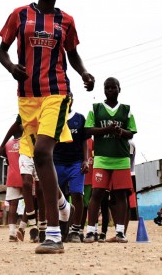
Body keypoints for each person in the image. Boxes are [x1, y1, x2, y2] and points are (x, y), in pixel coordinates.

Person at [0, 0, 95, 254]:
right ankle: (62, 205)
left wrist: (84, 73)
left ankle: (53, 235)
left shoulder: (66, 21)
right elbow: (1, 50)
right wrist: (11, 68)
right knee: (39, 160)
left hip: (57, 93)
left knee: (42, 152)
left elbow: (72, 53)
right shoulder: (19, 15)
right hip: (27, 97)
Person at [83, 77, 137, 243]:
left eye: (113, 88)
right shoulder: (95, 109)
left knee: (120, 195)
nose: (110, 90)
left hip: (121, 159)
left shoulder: (126, 110)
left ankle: (120, 232)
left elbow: (132, 132)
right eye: (107, 88)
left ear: (119, 89)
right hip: (101, 158)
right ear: (104, 90)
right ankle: (91, 231)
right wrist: (107, 129)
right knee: (97, 193)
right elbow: (88, 130)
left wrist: (119, 131)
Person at [53, 93, 90, 243]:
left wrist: (86, 160)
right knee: (58, 198)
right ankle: (61, 229)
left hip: (76, 163)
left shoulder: (80, 118)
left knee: (77, 194)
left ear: (72, 100)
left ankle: (76, 230)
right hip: (57, 163)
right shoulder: (54, 118)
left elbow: (84, 141)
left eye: (69, 98)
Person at [0, 116, 24, 242]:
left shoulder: (7, 144)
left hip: (12, 176)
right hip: (26, 175)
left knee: (12, 205)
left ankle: (12, 233)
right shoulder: (27, 142)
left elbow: (6, 159)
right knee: (31, 203)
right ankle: (22, 227)